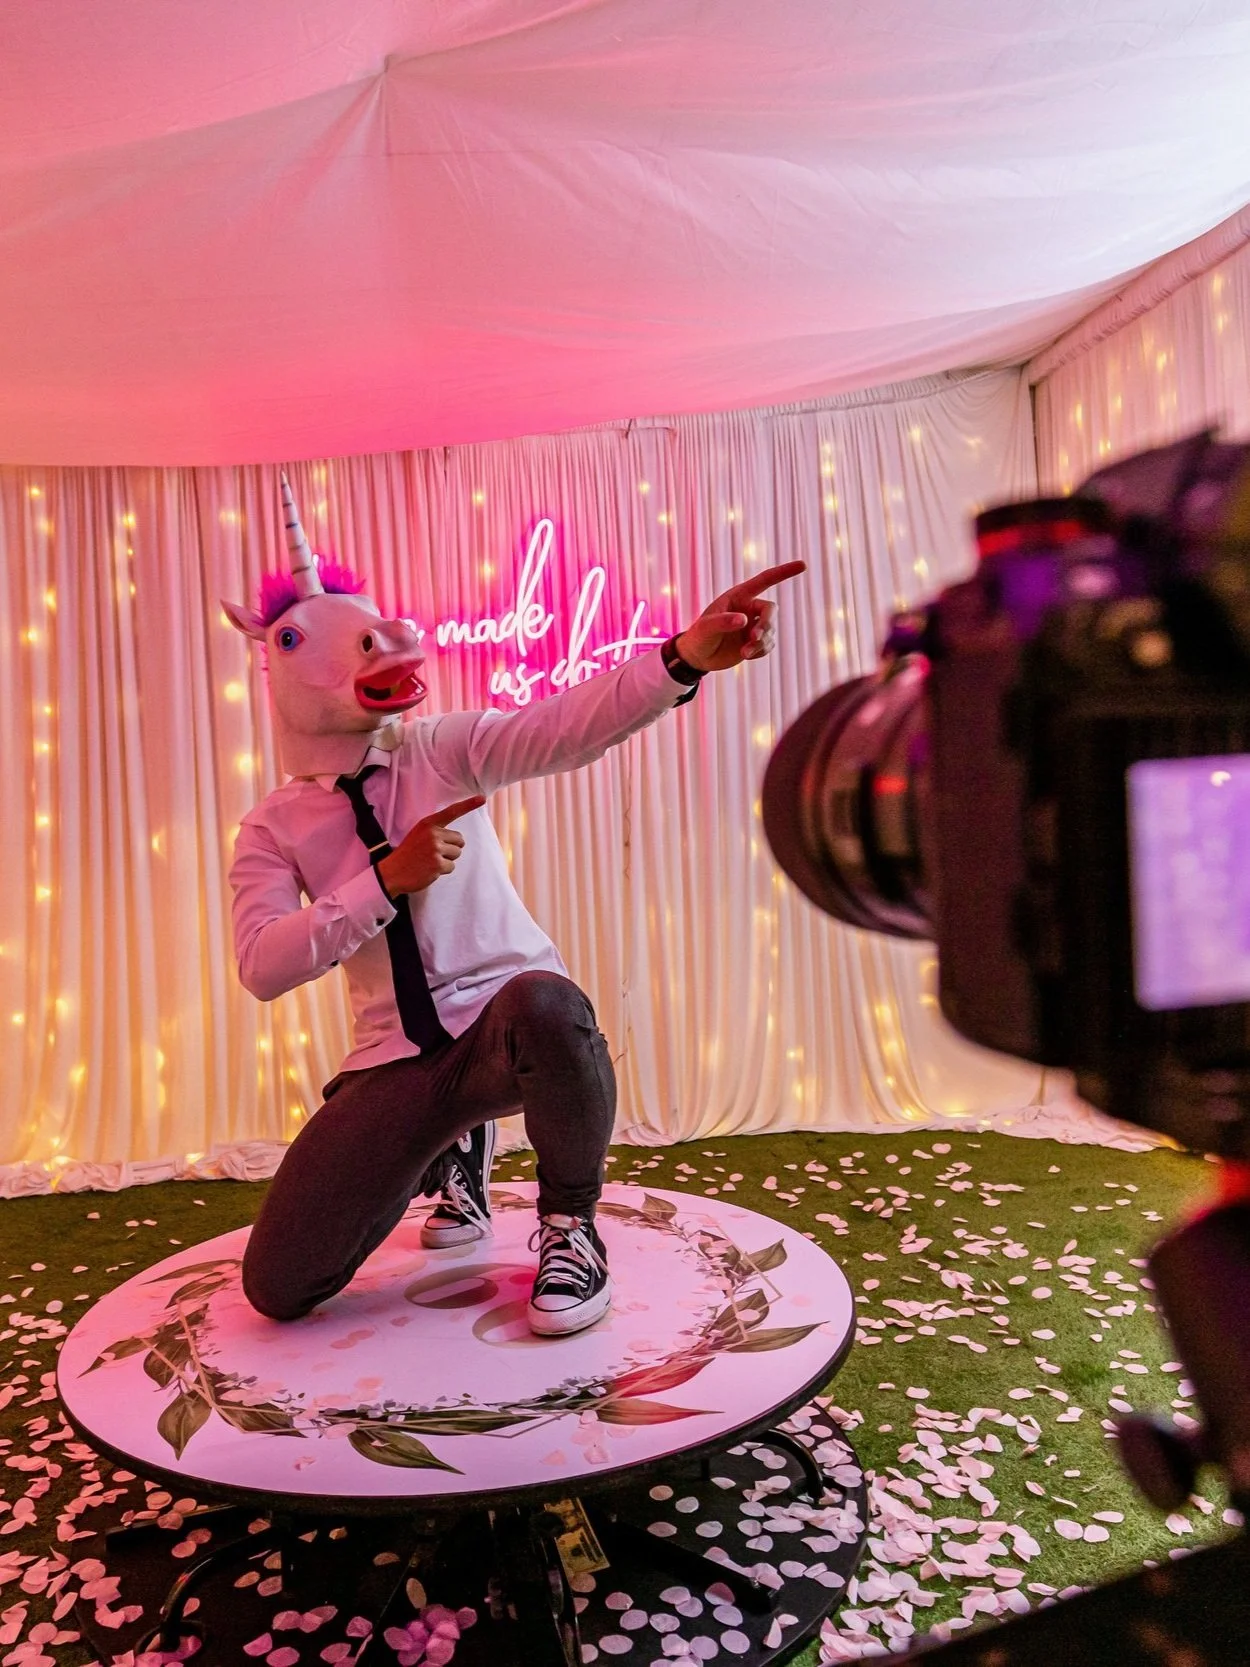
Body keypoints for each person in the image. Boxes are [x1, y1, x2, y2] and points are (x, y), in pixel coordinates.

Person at [225, 479, 804, 1336]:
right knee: (279, 1286)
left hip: (503, 1030)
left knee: (548, 998)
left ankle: (570, 1224)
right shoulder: (272, 825)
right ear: (276, 660)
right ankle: (450, 1146)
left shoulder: (444, 748)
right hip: (396, 1061)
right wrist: (385, 882)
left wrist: (680, 658)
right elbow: (263, 965)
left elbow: (567, 725)